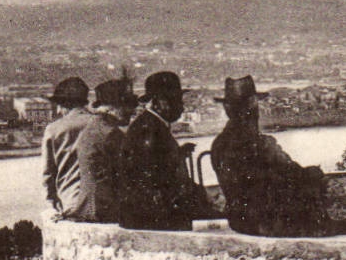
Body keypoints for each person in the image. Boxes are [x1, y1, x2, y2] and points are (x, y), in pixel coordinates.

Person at [210, 75, 327, 236]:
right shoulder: (261, 145)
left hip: (239, 223)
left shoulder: (219, 144)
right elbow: (293, 174)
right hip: (269, 224)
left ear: (227, 108)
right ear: (253, 105)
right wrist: (313, 173)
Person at [119, 71, 210, 231]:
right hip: (153, 221)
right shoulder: (150, 130)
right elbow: (154, 181)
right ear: (159, 102)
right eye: (175, 100)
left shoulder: (151, 125)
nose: (181, 106)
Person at [41, 76, 121, 222]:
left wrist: (52, 203)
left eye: (58, 105)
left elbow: (48, 174)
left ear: (64, 104)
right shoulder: (100, 124)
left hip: (69, 203)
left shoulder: (53, 130)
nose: (58, 111)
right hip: (101, 203)